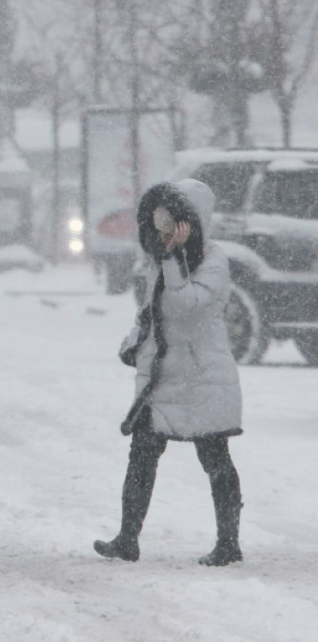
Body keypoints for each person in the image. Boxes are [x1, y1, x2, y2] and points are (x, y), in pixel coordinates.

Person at [95, 179, 244, 567]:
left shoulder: (214, 259)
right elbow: (152, 311)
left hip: (202, 378)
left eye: (171, 223)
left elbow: (186, 305)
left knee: (214, 457)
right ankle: (127, 538)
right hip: (163, 380)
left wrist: (173, 259)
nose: (162, 232)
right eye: (157, 224)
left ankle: (228, 543)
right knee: (141, 455)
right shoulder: (159, 260)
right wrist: (133, 341)